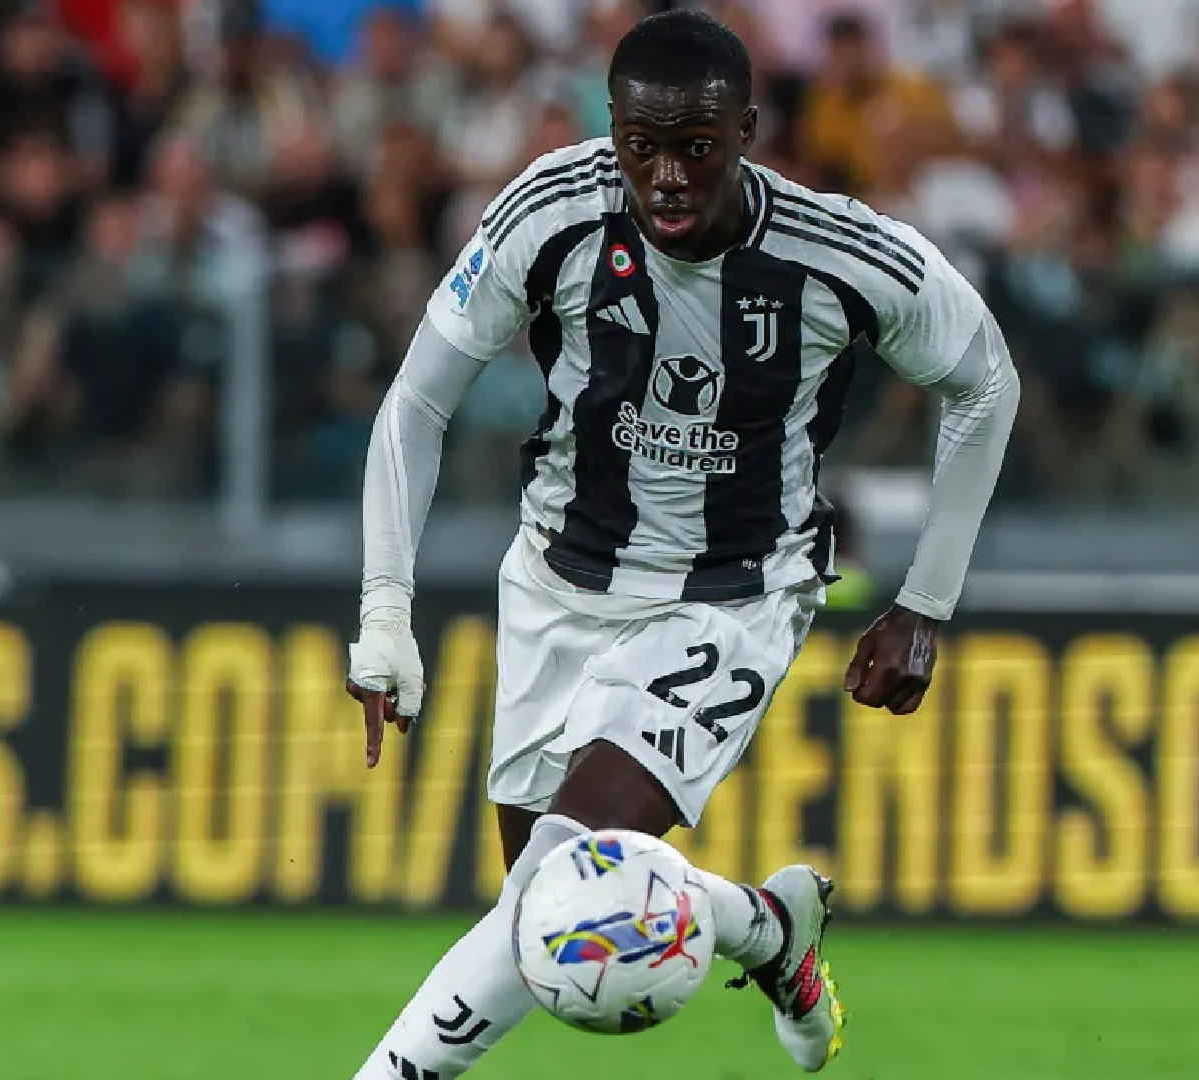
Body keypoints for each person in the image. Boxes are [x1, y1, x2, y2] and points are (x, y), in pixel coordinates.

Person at [344, 11, 1019, 1079]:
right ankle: (766, 928)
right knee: (547, 915)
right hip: (556, 585)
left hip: (732, 595)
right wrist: (386, 609)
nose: (665, 176)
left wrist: (925, 601)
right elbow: (416, 402)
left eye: (696, 147)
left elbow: (985, 381)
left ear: (747, 131)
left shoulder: (838, 254)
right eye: (640, 145)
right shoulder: (549, 212)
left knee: (547, 897)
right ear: (611, 129)